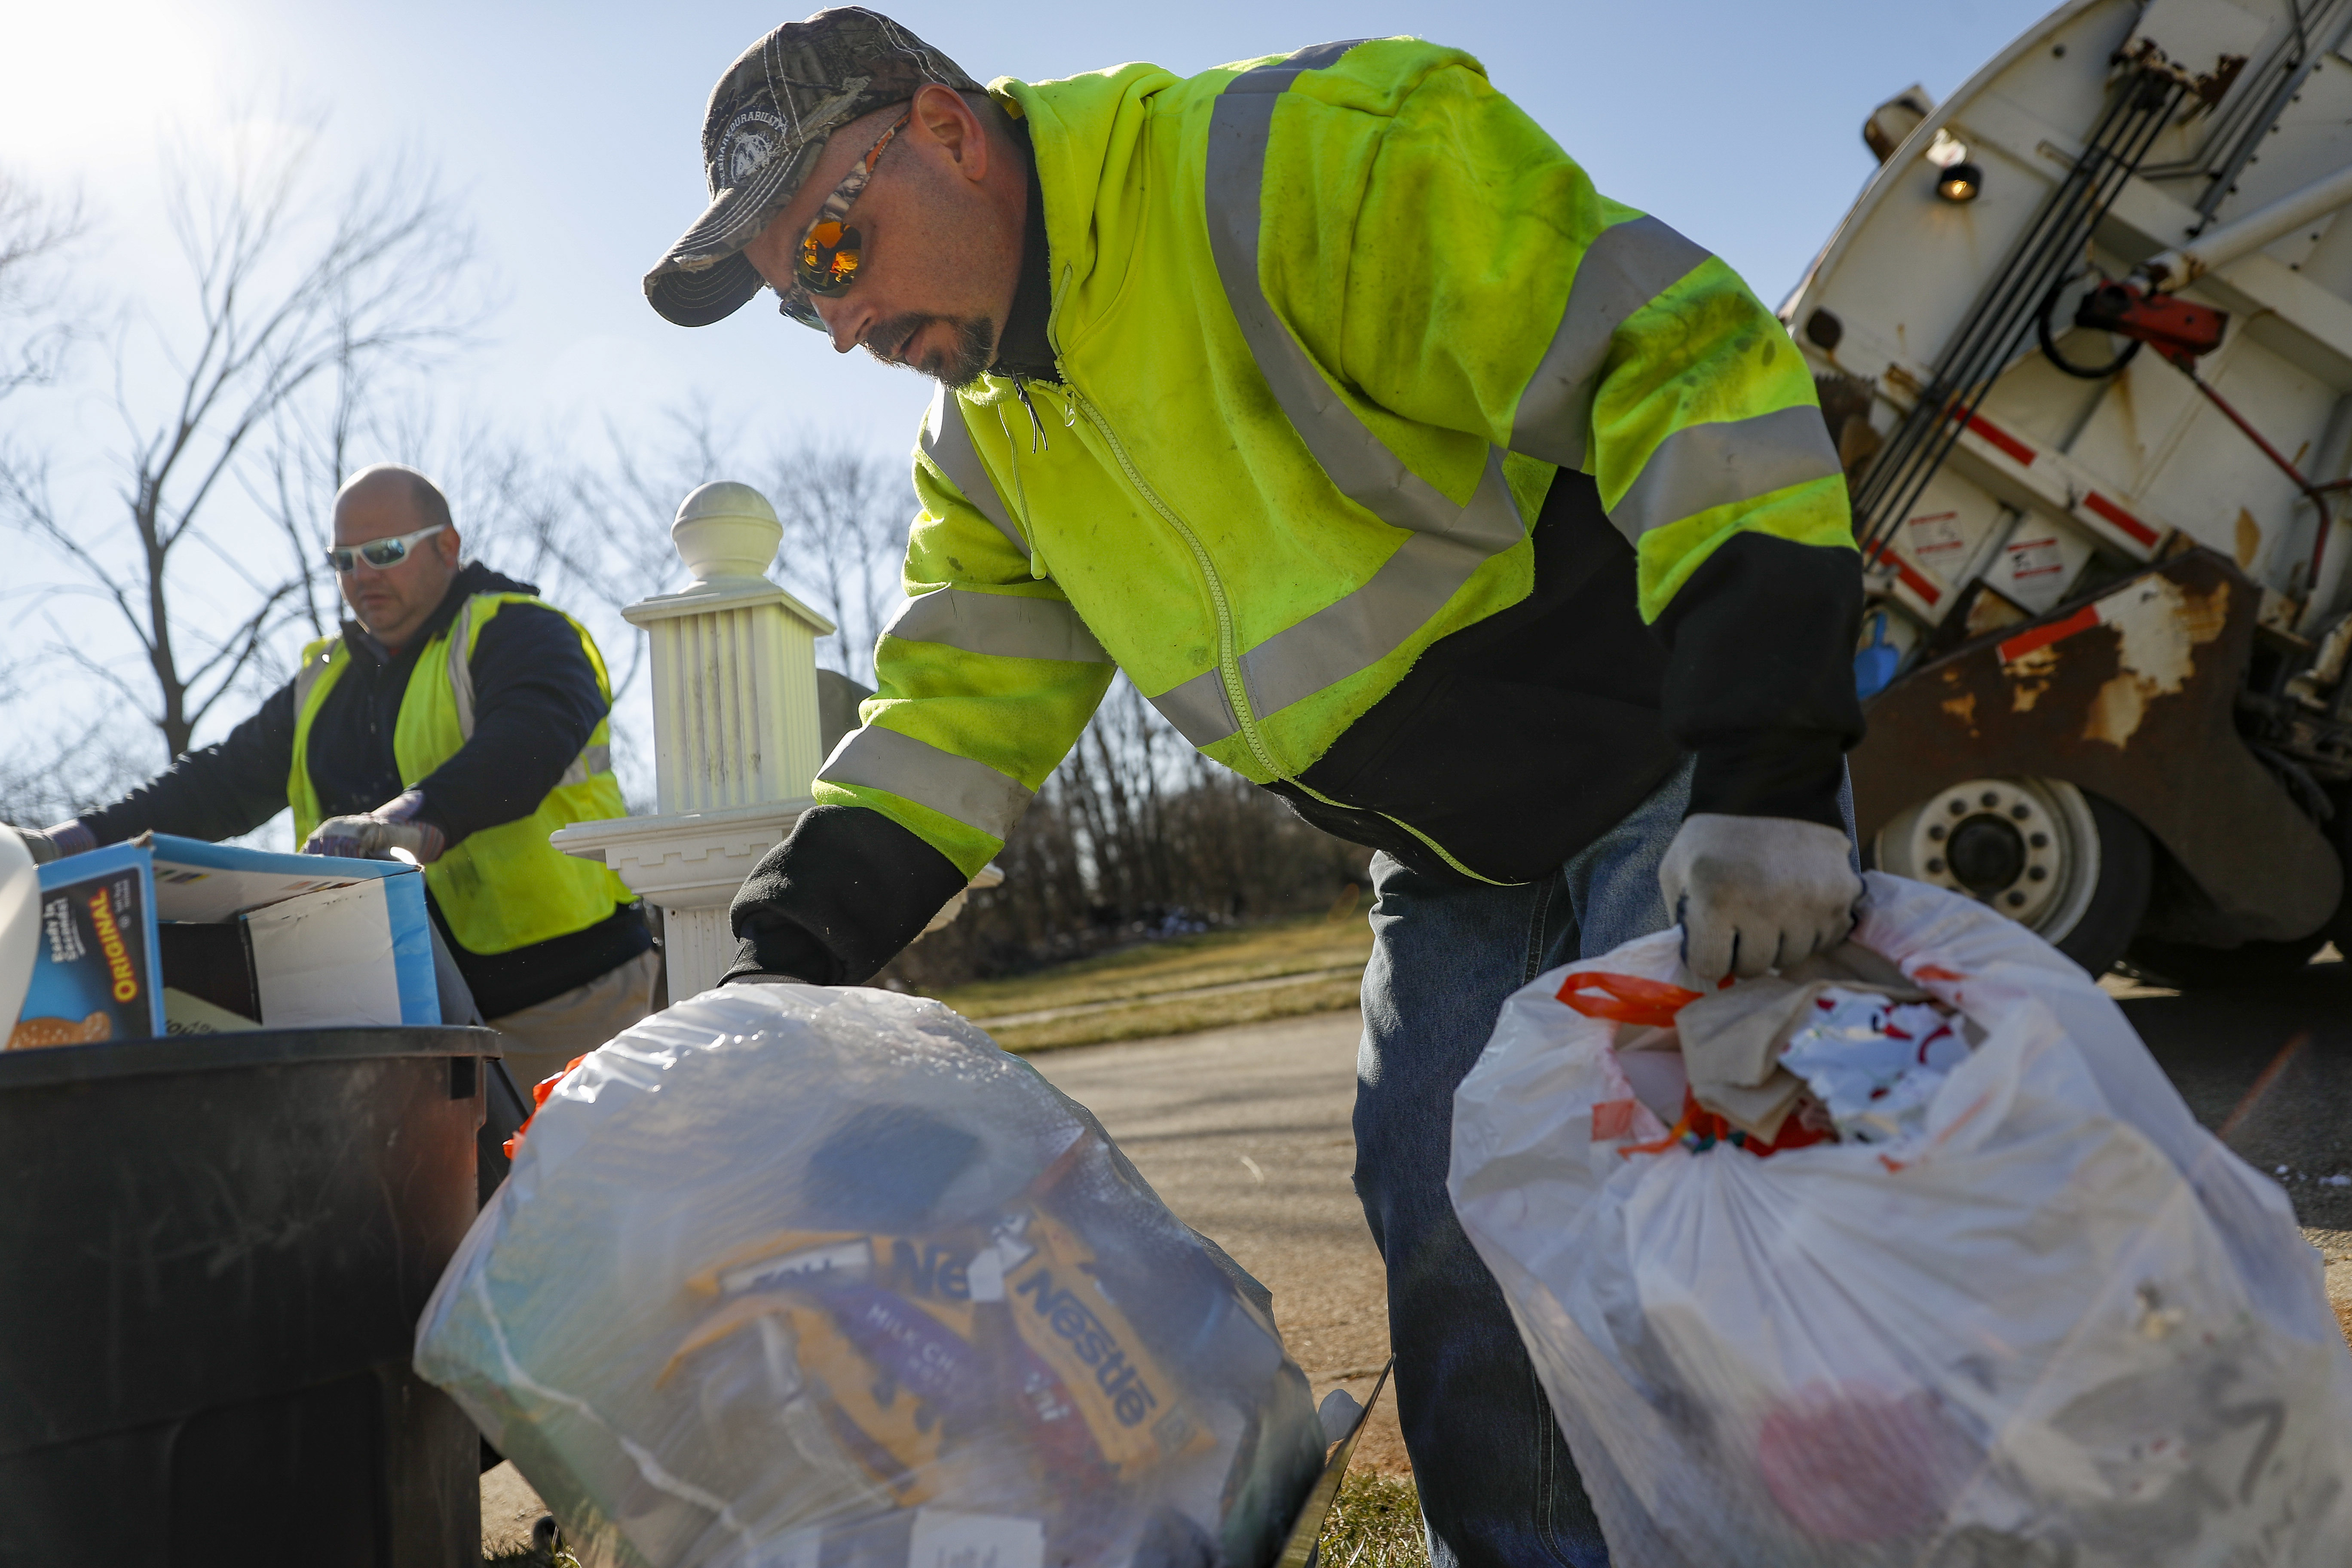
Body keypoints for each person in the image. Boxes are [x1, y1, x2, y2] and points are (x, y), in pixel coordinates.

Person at [643, 13, 1864, 1565]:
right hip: (1445, 860)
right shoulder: (987, 442)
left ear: (946, 129)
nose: (838, 320)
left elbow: (1680, 365)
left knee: (1708, 1218)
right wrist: (782, 958)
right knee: (1445, 1224)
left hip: (1670, 765)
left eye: (830, 246)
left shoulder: (1288, 160)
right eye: (792, 298)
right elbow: (961, 704)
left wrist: (1767, 767)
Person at [19, 465, 658, 1090]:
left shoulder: (520, 632)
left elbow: (524, 745)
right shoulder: (324, 679)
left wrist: (403, 825)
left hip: (566, 998)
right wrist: (63, 844)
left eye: (382, 552)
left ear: (448, 547)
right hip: (397, 1017)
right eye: (343, 561)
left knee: (576, 1192)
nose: (360, 577)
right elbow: (215, 786)